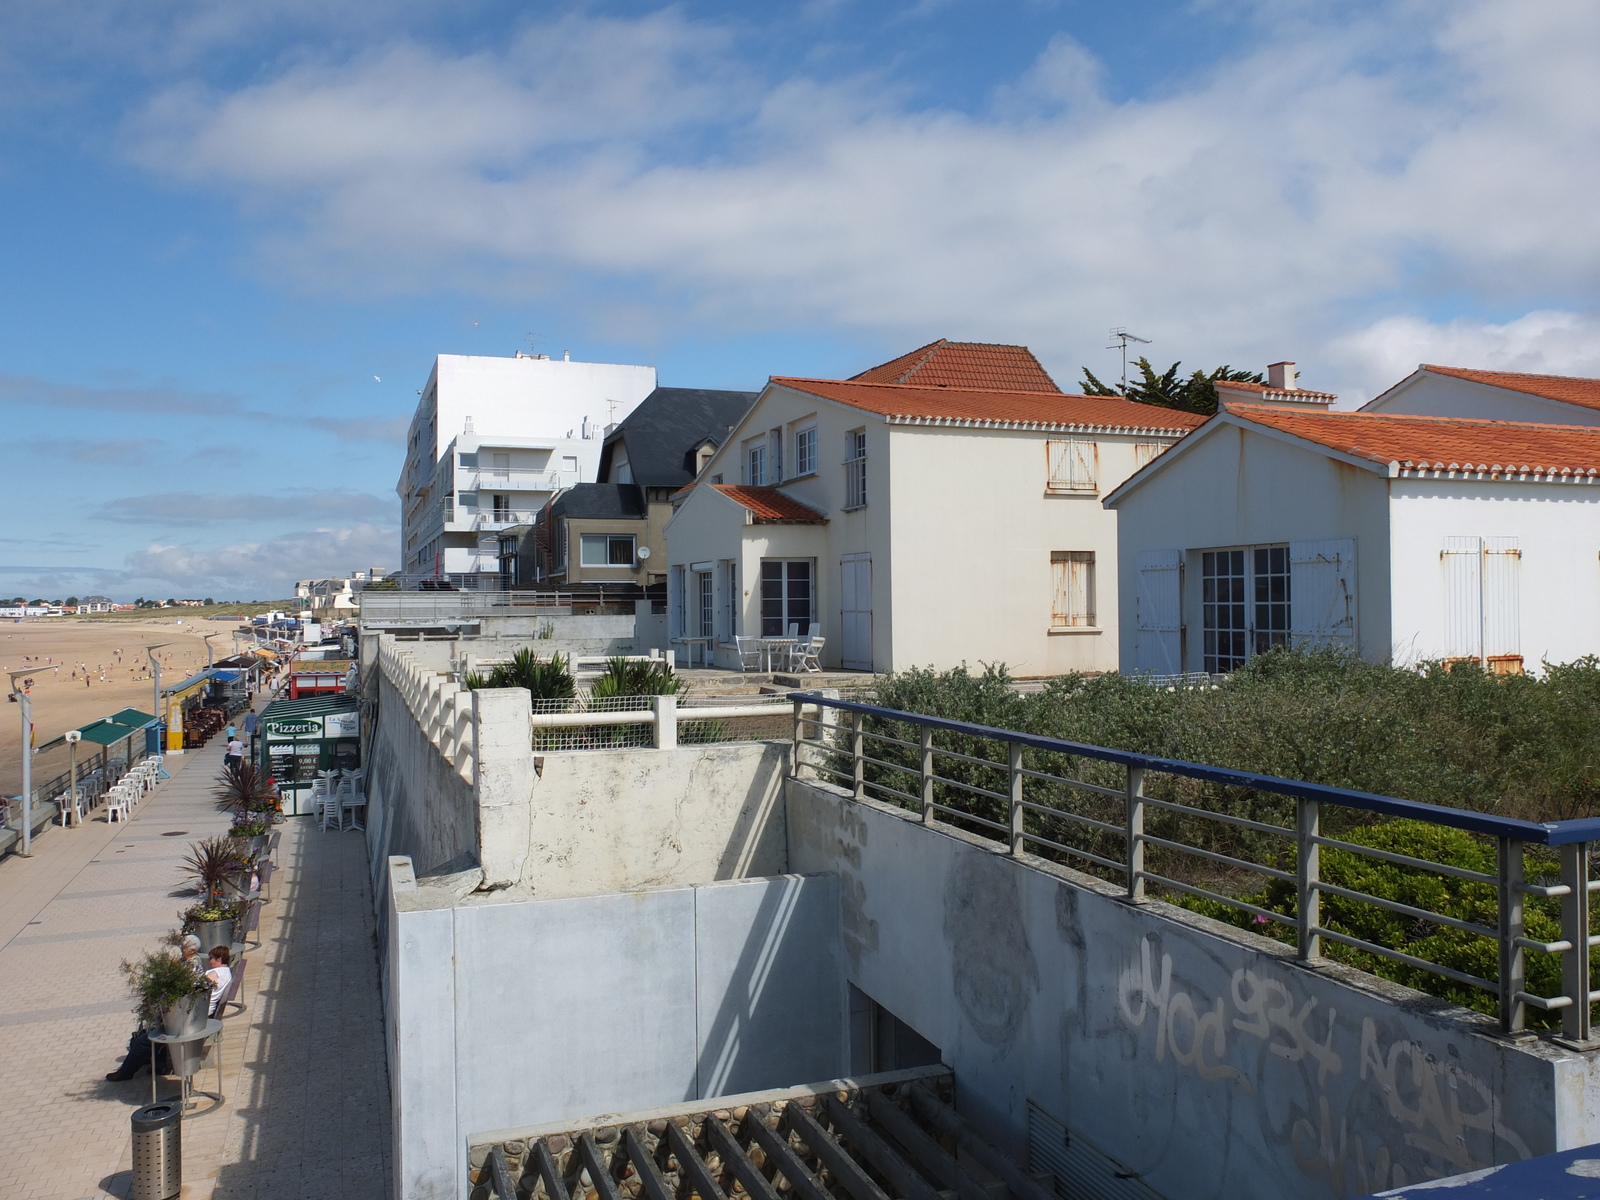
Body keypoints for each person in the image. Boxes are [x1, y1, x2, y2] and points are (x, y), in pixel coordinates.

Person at [205, 947, 233, 1018]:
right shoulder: (227, 973)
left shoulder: (215, 974)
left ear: (219, 959)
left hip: (204, 1009)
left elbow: (200, 989)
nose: (209, 961)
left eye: (211, 958)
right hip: (210, 1008)